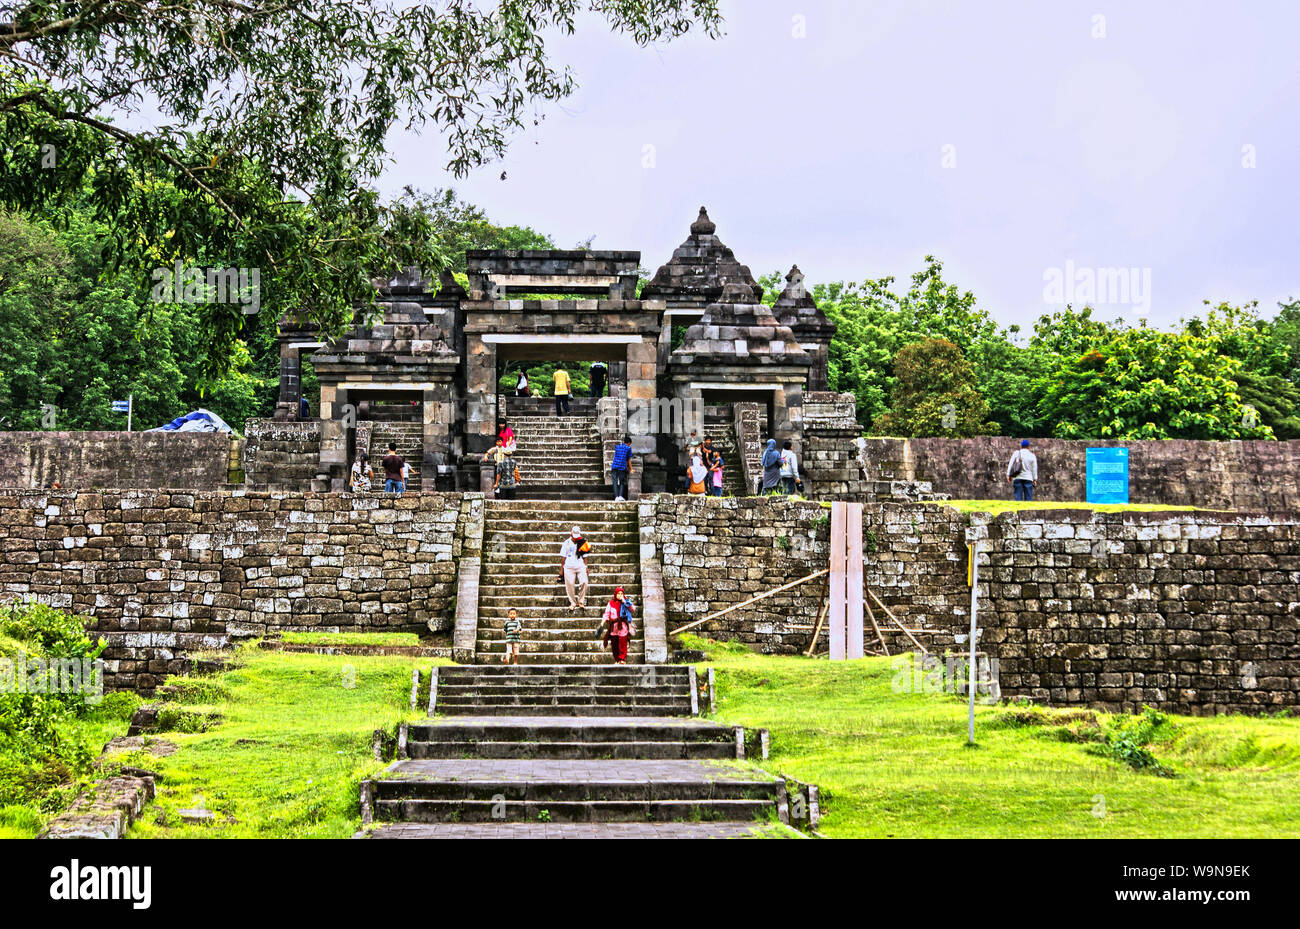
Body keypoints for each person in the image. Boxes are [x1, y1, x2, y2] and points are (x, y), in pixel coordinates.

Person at [558, 526, 591, 611]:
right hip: (569, 566)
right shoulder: (566, 543)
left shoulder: (583, 542)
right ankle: (572, 602)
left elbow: (585, 556)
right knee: (570, 585)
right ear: (571, 534)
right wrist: (561, 570)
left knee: (584, 582)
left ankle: (581, 601)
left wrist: (586, 566)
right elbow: (563, 558)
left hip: (580, 565)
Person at [601, 587, 636, 665]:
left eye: (621, 594)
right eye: (618, 593)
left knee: (623, 642)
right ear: (615, 594)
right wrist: (602, 623)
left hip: (622, 626)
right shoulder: (610, 603)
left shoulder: (626, 602)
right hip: (614, 627)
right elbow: (606, 614)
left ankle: (622, 659)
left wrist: (625, 602)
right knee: (614, 643)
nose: (620, 595)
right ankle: (617, 659)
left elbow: (633, 609)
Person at [610, 435, 632, 502]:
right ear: (628, 443)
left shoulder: (617, 446)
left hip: (614, 466)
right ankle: (620, 496)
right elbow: (628, 460)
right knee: (622, 482)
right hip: (621, 467)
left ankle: (616, 497)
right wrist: (631, 469)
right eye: (630, 444)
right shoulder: (628, 448)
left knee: (615, 482)